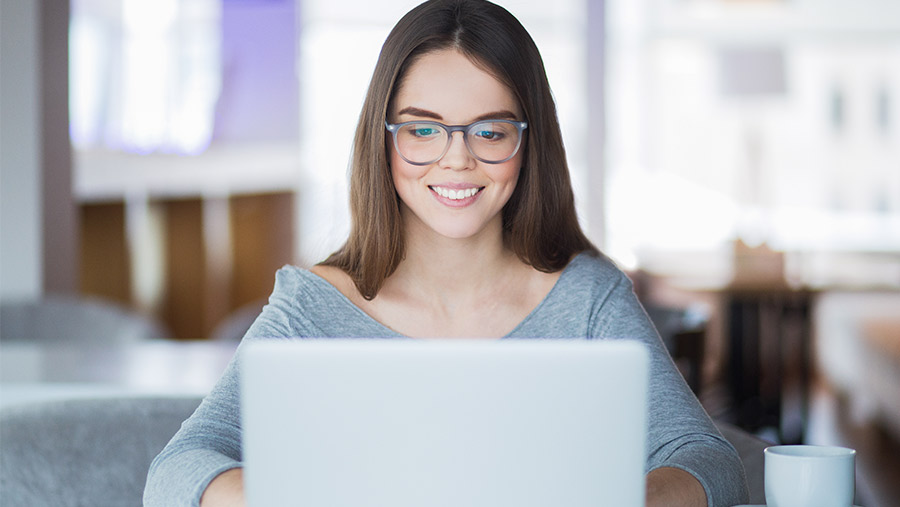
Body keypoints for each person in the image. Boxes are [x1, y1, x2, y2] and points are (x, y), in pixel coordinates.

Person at [144, 1, 749, 506]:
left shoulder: (588, 299)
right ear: (383, 142)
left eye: (489, 131)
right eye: (423, 129)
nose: (456, 160)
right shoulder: (314, 306)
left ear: (527, 142)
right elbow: (174, 473)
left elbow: (709, 462)